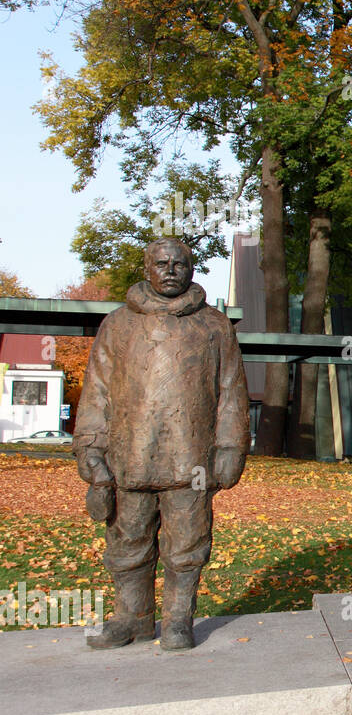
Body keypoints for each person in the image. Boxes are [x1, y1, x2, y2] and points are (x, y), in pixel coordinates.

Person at [73, 238, 250, 651]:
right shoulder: (117, 325)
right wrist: (91, 448)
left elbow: (231, 392)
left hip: (192, 458)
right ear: (147, 268)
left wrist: (230, 448)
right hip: (129, 456)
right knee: (127, 542)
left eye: (179, 264)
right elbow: (97, 390)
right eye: (161, 263)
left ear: (190, 270)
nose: (170, 270)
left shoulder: (214, 325)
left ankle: (177, 620)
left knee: (187, 546)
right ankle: (130, 618)